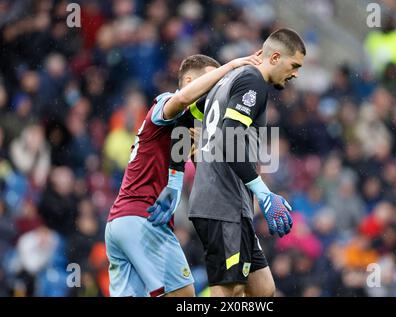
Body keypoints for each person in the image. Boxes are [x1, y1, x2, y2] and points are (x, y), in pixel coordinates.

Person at [150, 28, 306, 297]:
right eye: (294, 65)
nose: (295, 74)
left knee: (263, 289)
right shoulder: (252, 82)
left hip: (230, 203)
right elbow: (227, 141)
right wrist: (263, 192)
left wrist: (175, 183)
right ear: (276, 57)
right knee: (231, 290)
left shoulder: (227, 82)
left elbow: (183, 121)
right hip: (222, 203)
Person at [105, 53, 262, 297]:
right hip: (143, 219)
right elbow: (183, 98)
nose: (214, 90)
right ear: (189, 80)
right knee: (185, 296)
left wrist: (201, 152)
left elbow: (206, 179)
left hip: (120, 222)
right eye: (210, 81)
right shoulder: (165, 103)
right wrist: (231, 66)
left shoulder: (185, 129)